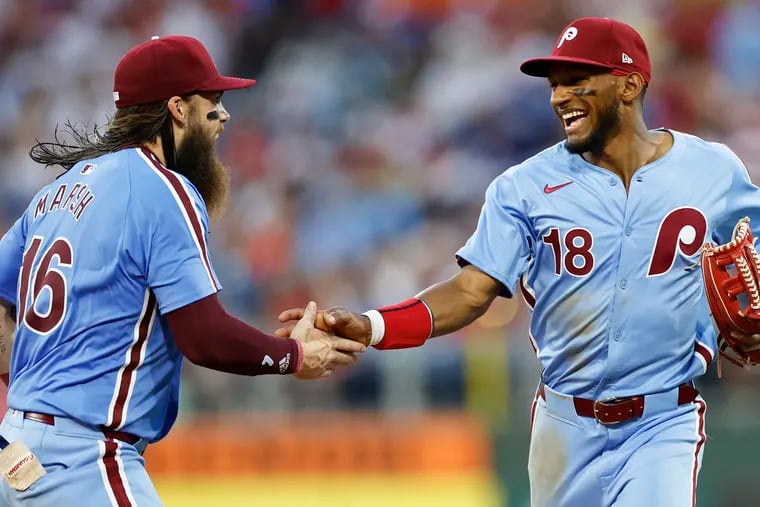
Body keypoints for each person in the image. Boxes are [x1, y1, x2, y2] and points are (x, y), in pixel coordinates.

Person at [277, 17, 760, 507]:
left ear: (629, 85)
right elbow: (469, 292)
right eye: (555, 86)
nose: (558, 97)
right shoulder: (524, 187)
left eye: (577, 82)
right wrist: (374, 325)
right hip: (564, 426)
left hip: (664, 420)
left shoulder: (712, 170)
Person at [0, 35, 365, 506]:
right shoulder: (162, 188)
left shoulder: (56, 193)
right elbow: (204, 337)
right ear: (177, 108)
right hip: (84, 459)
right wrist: (292, 354)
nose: (224, 114)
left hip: (17, 451)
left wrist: (27, 396)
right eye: (212, 100)